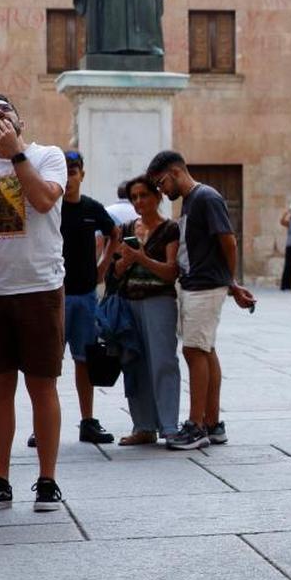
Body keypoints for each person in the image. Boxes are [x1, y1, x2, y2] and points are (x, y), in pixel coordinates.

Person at [0, 94, 69, 512]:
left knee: (42, 386)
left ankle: (47, 481)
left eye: (6, 108)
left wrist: (17, 156)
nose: (0, 114)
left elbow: (44, 200)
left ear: (20, 119)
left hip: (40, 287)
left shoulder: (48, 156)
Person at [146, 151, 256, 450]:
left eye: (160, 183)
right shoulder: (190, 201)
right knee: (205, 350)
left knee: (194, 351)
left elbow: (228, 240)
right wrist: (230, 284)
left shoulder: (205, 197)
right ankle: (212, 422)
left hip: (204, 286)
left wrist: (227, 279)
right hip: (200, 283)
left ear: (175, 172)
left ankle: (196, 426)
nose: (161, 191)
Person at [112, 175, 182, 445]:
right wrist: (125, 262)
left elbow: (170, 271)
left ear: (157, 197)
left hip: (159, 301)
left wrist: (141, 257)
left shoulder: (169, 229)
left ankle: (169, 425)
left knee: (163, 361)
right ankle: (143, 425)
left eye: (144, 195)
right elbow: (116, 270)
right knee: (134, 363)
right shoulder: (128, 227)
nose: (139, 202)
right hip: (130, 302)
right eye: (134, 197)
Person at [57, 150, 120, 444]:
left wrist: (104, 265)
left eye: (74, 171)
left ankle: (87, 420)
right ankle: (42, 423)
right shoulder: (51, 208)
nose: (69, 177)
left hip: (83, 294)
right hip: (53, 296)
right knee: (46, 365)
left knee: (84, 360)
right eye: (64, 170)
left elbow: (114, 233)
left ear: (82, 174)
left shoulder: (92, 207)